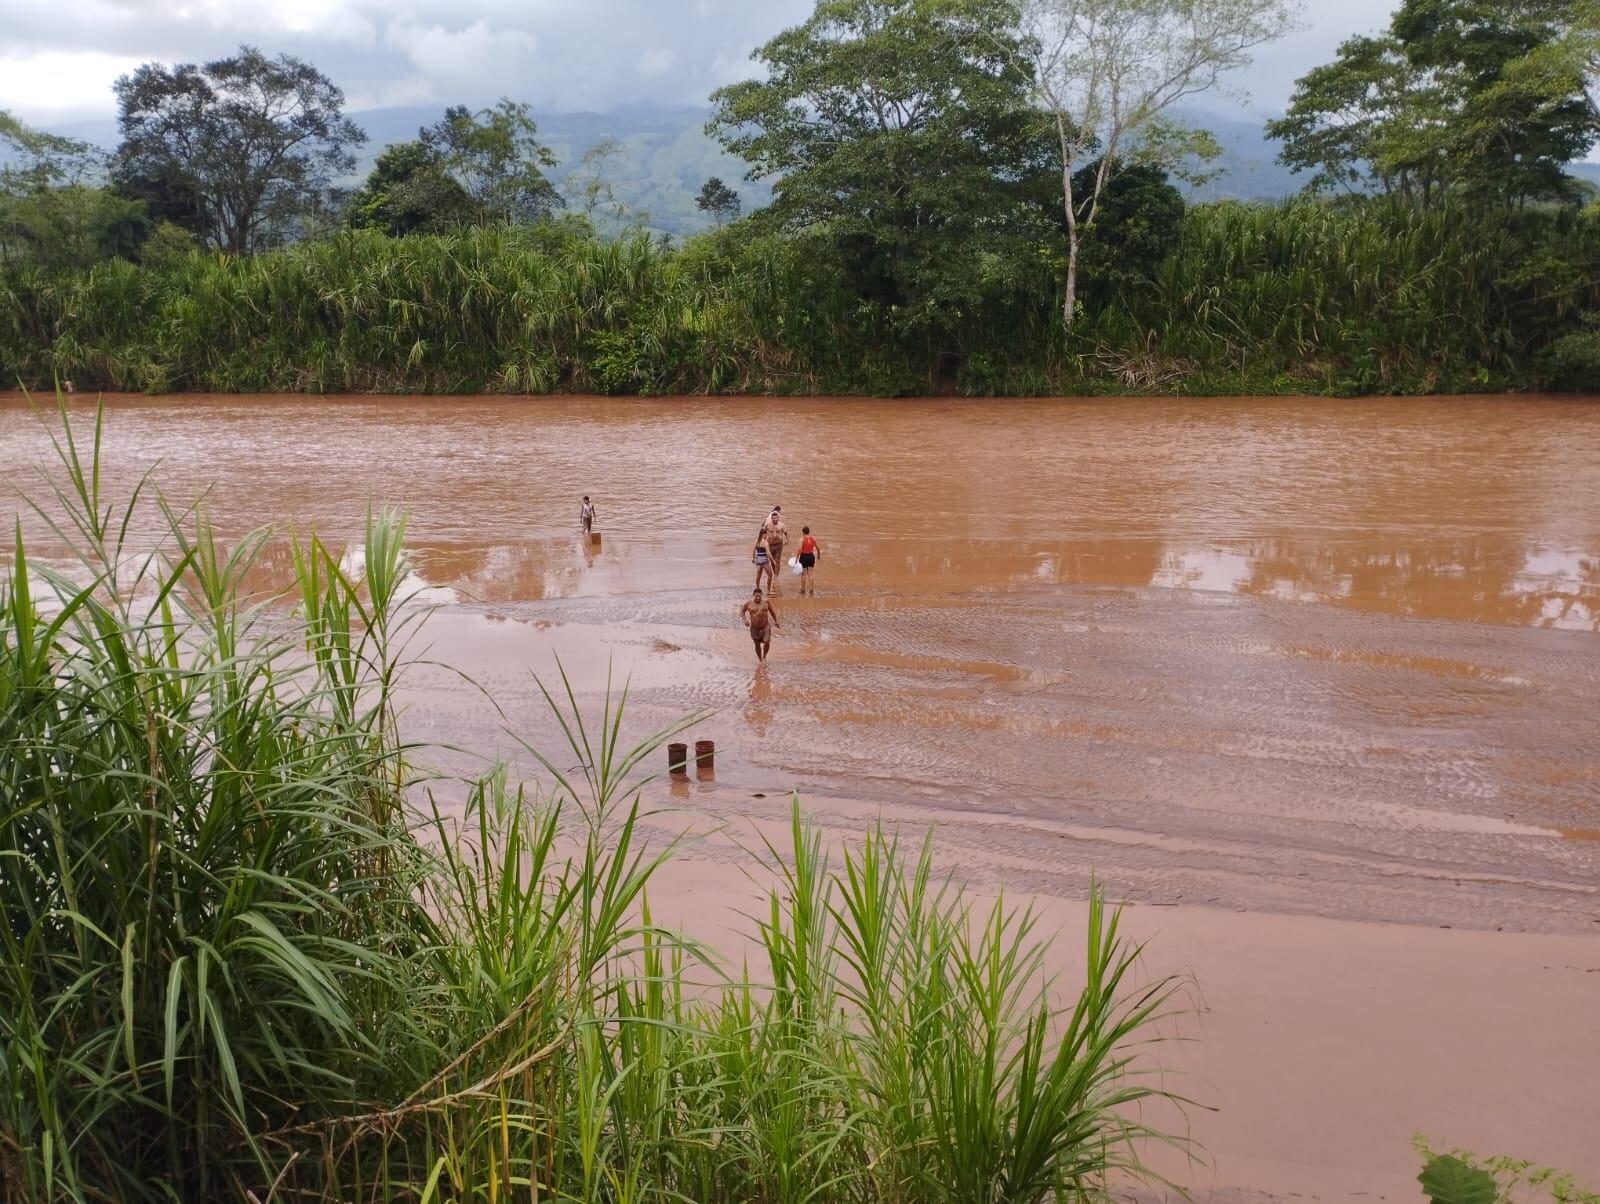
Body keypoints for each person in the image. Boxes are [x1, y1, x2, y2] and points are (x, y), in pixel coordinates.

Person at [740, 587, 780, 662]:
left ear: (761, 595)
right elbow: (742, 612)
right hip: (754, 628)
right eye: (756, 596)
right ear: (753, 595)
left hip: (765, 627)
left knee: (767, 641)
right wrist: (745, 620)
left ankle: (764, 656)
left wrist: (776, 621)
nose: (758, 598)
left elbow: (772, 612)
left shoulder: (766, 603)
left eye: (759, 596)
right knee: (757, 645)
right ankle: (760, 659)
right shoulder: (748, 604)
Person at [762, 506, 788, 591]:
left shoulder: (782, 525)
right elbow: (762, 530)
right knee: (772, 561)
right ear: (772, 518)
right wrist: (762, 540)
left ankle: (776, 576)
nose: (775, 519)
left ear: (778, 518)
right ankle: (774, 574)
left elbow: (786, 533)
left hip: (779, 545)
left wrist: (787, 540)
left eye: (776, 518)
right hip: (770, 545)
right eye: (774, 518)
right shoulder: (768, 525)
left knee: (777, 560)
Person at [797, 526, 821, 595]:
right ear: (809, 531)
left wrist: (796, 558)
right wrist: (819, 555)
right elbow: (818, 548)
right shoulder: (813, 538)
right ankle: (811, 590)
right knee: (810, 574)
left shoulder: (801, 539)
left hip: (804, 556)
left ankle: (803, 590)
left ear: (803, 532)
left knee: (803, 574)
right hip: (811, 556)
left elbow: (799, 549)